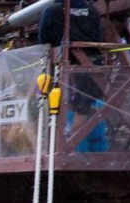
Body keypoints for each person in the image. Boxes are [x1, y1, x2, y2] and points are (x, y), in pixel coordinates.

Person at [39, 0, 108, 151]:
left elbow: (43, 41)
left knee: (74, 107)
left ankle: (69, 147)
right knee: (85, 106)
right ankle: (75, 147)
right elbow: (98, 38)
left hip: (66, 68)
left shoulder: (51, 12)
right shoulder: (93, 11)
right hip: (91, 67)